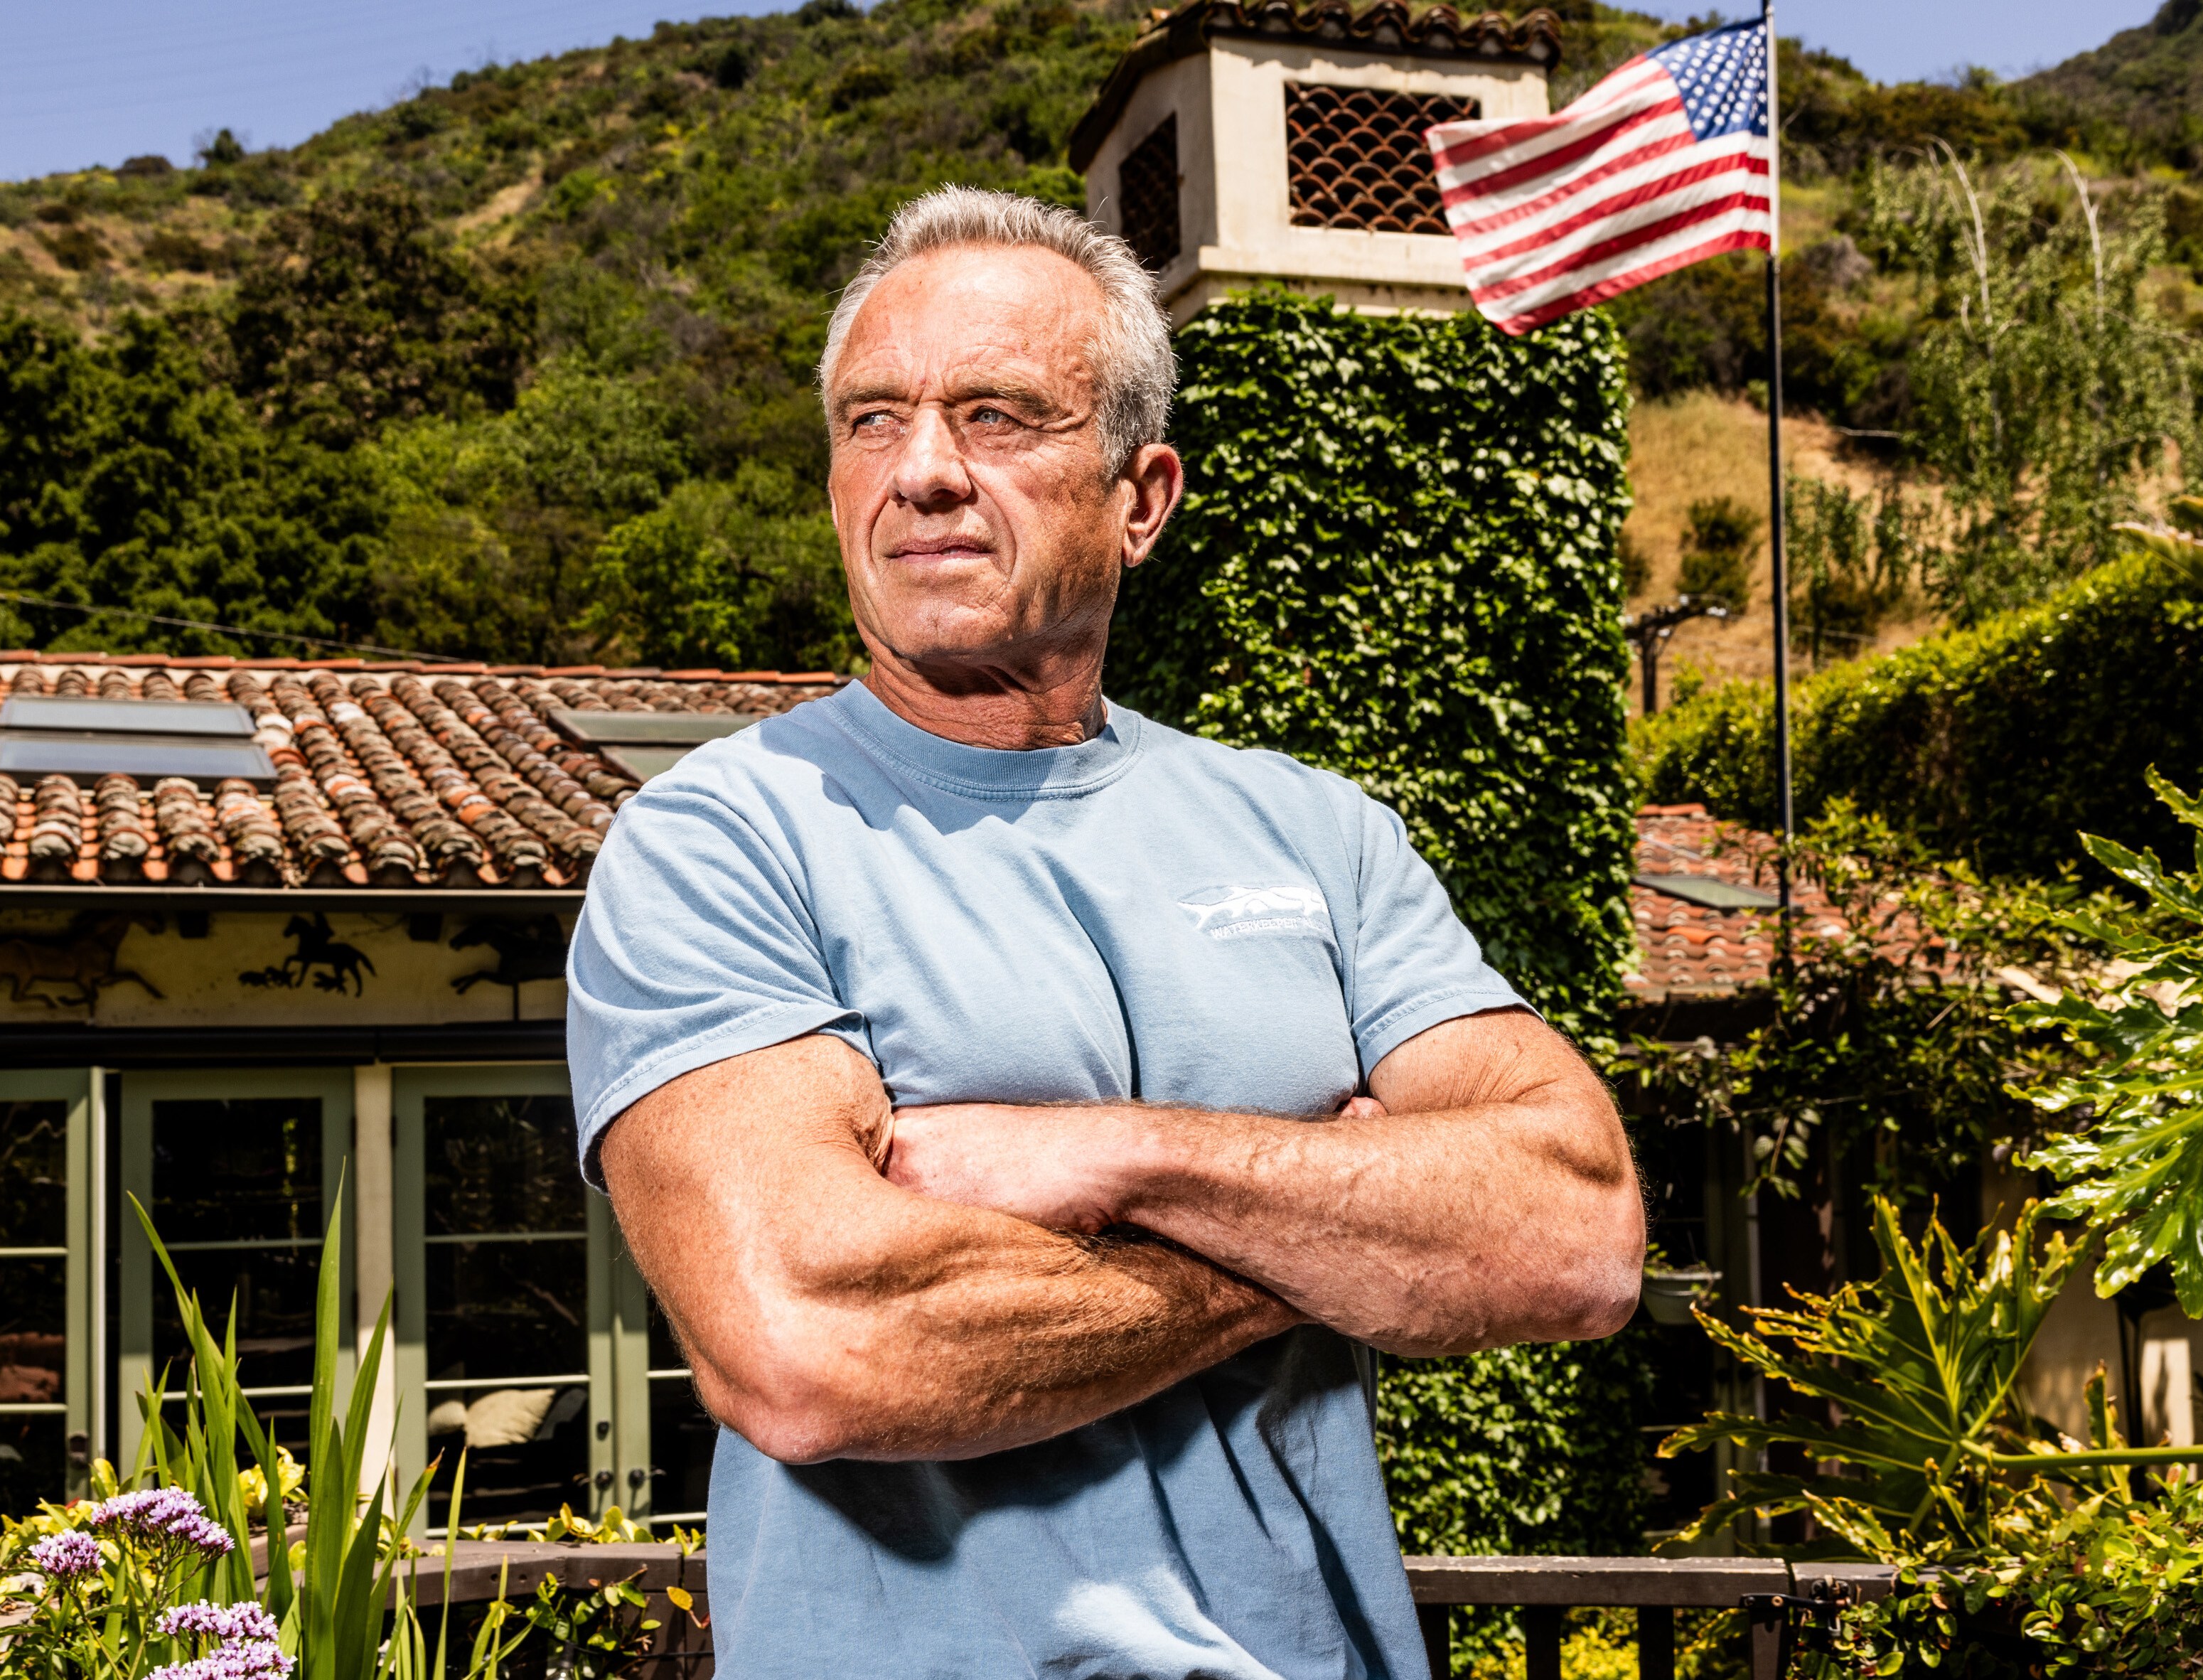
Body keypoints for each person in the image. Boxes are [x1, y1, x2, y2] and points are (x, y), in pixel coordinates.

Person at [567, 186, 1644, 1679]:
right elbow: (814, 1345)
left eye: (998, 415)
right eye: (874, 421)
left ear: (1142, 498)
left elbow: (1576, 1235)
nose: (923, 472)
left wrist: (1122, 1159)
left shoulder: (1314, 834)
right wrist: (1334, 1239)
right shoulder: (721, 844)